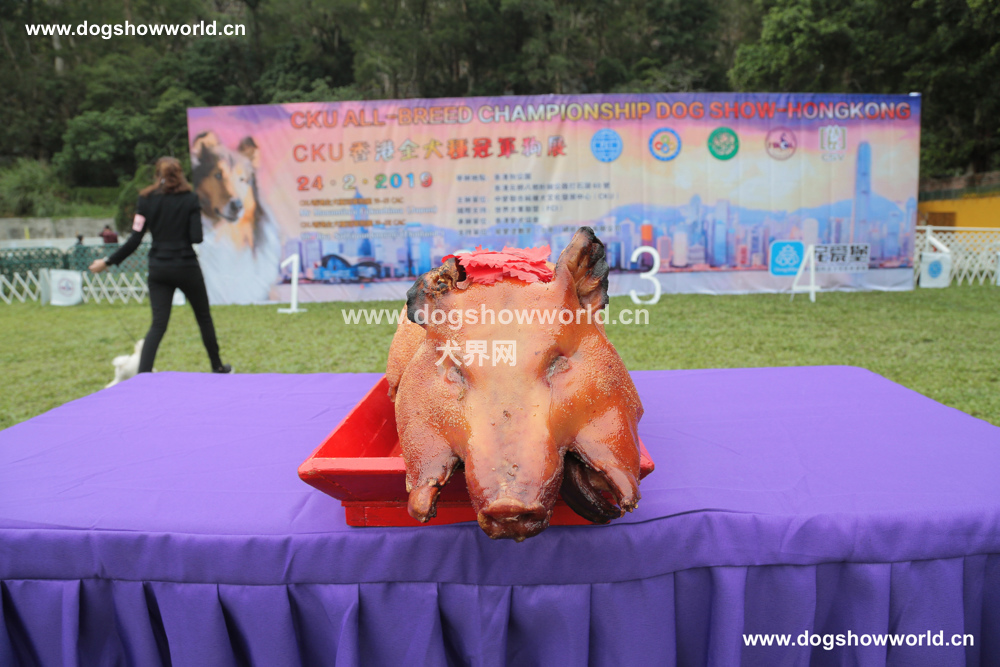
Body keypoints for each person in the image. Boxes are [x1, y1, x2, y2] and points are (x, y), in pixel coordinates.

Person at [89, 157, 232, 374]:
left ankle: (143, 374)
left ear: (157, 175)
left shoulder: (145, 200)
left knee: (158, 324)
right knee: (204, 318)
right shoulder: (190, 199)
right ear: (181, 174)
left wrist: (108, 261)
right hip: (186, 266)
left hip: (159, 268)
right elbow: (197, 237)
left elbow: (135, 239)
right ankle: (217, 366)